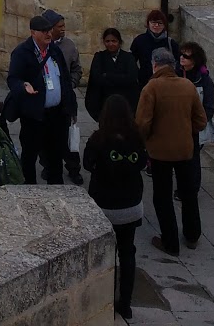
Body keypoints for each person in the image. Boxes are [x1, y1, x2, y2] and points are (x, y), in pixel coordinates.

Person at [81, 94, 146, 321]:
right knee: (127, 253)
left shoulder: (98, 139)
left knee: (104, 254)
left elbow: (87, 164)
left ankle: (103, 299)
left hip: (105, 206)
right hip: (130, 206)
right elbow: (142, 163)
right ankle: (125, 304)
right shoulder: (137, 138)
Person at [136, 49, 206, 254]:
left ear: (155, 65)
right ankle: (192, 235)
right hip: (184, 149)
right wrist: (185, 131)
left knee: (162, 196)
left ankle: (170, 241)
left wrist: (146, 140)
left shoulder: (151, 87)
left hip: (160, 152)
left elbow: (142, 123)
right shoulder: (187, 86)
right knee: (188, 193)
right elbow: (201, 121)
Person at [6, 14, 71, 185]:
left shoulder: (54, 50)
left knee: (55, 155)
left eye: (49, 30)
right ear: (33, 32)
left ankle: (56, 188)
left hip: (56, 115)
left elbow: (65, 78)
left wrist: (70, 105)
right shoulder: (22, 53)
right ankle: (30, 188)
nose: (48, 34)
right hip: (34, 115)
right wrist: (23, 86)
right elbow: (13, 79)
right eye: (44, 31)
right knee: (30, 154)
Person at [43, 9, 84, 186]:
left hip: (65, 101)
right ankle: (48, 165)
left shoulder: (69, 46)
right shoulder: (40, 47)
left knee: (68, 137)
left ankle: (73, 168)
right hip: (47, 101)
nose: (63, 29)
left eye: (63, 25)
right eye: (59, 26)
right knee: (46, 137)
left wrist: (70, 84)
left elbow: (77, 69)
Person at [180, 41, 214, 192]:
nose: (182, 58)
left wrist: (197, 124)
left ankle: (191, 188)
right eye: (181, 54)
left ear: (195, 60)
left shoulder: (204, 80)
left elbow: (209, 106)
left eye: (186, 56)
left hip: (194, 127)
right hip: (178, 125)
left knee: (193, 159)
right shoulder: (176, 74)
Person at [85, 27, 140, 123]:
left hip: (126, 105)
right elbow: (97, 78)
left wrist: (107, 75)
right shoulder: (99, 57)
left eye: (114, 41)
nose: (111, 44)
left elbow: (131, 78)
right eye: (108, 41)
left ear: (119, 42)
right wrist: (120, 77)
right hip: (104, 105)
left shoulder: (128, 58)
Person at [131, 7, 181, 88]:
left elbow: (179, 62)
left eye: (160, 23)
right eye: (153, 22)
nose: (156, 25)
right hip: (145, 83)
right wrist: (138, 75)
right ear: (148, 23)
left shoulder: (170, 43)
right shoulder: (139, 41)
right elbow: (131, 61)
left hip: (167, 84)